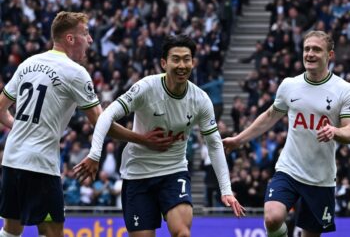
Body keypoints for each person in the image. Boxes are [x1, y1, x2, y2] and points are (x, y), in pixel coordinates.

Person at [0, 11, 173, 237]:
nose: (90, 39)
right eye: (86, 33)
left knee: (11, 229)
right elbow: (103, 124)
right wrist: (142, 139)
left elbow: (1, 108)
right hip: (39, 165)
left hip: (12, 160)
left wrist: (21, 129)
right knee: (53, 232)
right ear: (70, 39)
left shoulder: (28, 63)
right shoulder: (75, 73)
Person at [81, 34, 245, 237]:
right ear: (163, 63)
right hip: (137, 174)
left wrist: (226, 190)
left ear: (193, 63)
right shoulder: (146, 88)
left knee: (182, 233)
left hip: (174, 171)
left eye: (186, 59)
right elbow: (107, 116)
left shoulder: (201, 100)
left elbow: (214, 144)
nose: (181, 65)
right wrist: (95, 154)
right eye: (175, 59)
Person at [223, 30, 350, 237]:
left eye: (317, 50)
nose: (310, 54)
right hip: (289, 169)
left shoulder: (343, 90)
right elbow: (270, 116)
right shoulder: (289, 85)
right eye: (307, 49)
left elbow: (349, 130)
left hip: (321, 178)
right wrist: (239, 140)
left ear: (330, 55)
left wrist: (334, 131)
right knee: (272, 218)